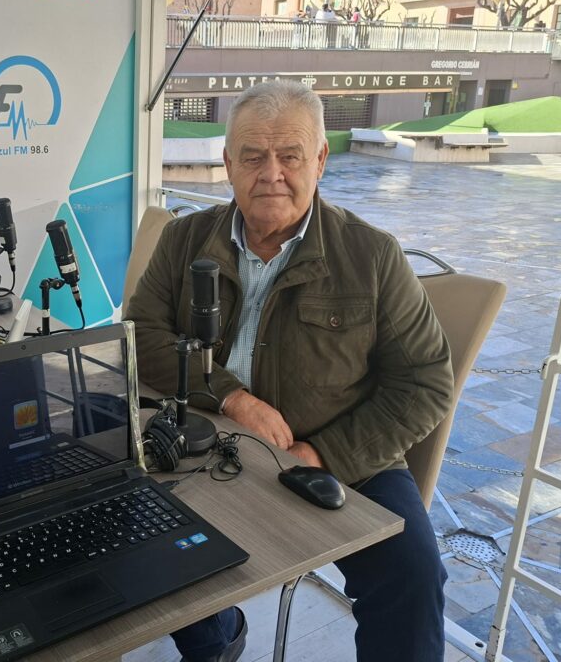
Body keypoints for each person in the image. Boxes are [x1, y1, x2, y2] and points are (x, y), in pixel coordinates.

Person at [125, 80, 453, 662]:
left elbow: (425, 380)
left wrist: (323, 455)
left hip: (345, 450)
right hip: (206, 435)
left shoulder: (373, 256)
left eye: (290, 156)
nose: (271, 173)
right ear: (228, 164)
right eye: (253, 156)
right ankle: (216, 638)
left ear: (320, 160)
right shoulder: (182, 239)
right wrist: (232, 399)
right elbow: (141, 335)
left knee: (414, 575)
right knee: (124, 516)